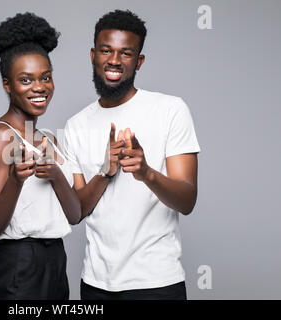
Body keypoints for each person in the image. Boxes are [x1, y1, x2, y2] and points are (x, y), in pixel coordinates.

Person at [62, 10, 201, 300]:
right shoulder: (76, 125)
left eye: (126, 53)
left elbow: (187, 200)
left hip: (157, 283)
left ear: (139, 62)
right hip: (95, 284)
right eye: (106, 50)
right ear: (92, 55)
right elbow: (77, 211)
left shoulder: (171, 110)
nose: (114, 60)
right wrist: (105, 171)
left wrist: (147, 173)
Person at [0, 12, 81, 300]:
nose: (39, 87)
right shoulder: (1, 136)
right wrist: (15, 180)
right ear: (7, 85)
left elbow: (74, 216)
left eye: (45, 77)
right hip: (18, 266)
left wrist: (57, 176)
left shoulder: (49, 139)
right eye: (26, 79)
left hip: (56, 262)